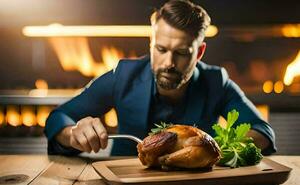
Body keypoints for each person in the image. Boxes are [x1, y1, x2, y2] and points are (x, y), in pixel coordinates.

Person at [44, 0, 276, 156]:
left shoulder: (216, 81)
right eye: (161, 49)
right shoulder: (124, 75)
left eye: (182, 53)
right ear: (151, 44)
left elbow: (262, 131)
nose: (169, 63)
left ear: (200, 53)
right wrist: (73, 134)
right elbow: (59, 117)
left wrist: (212, 152)